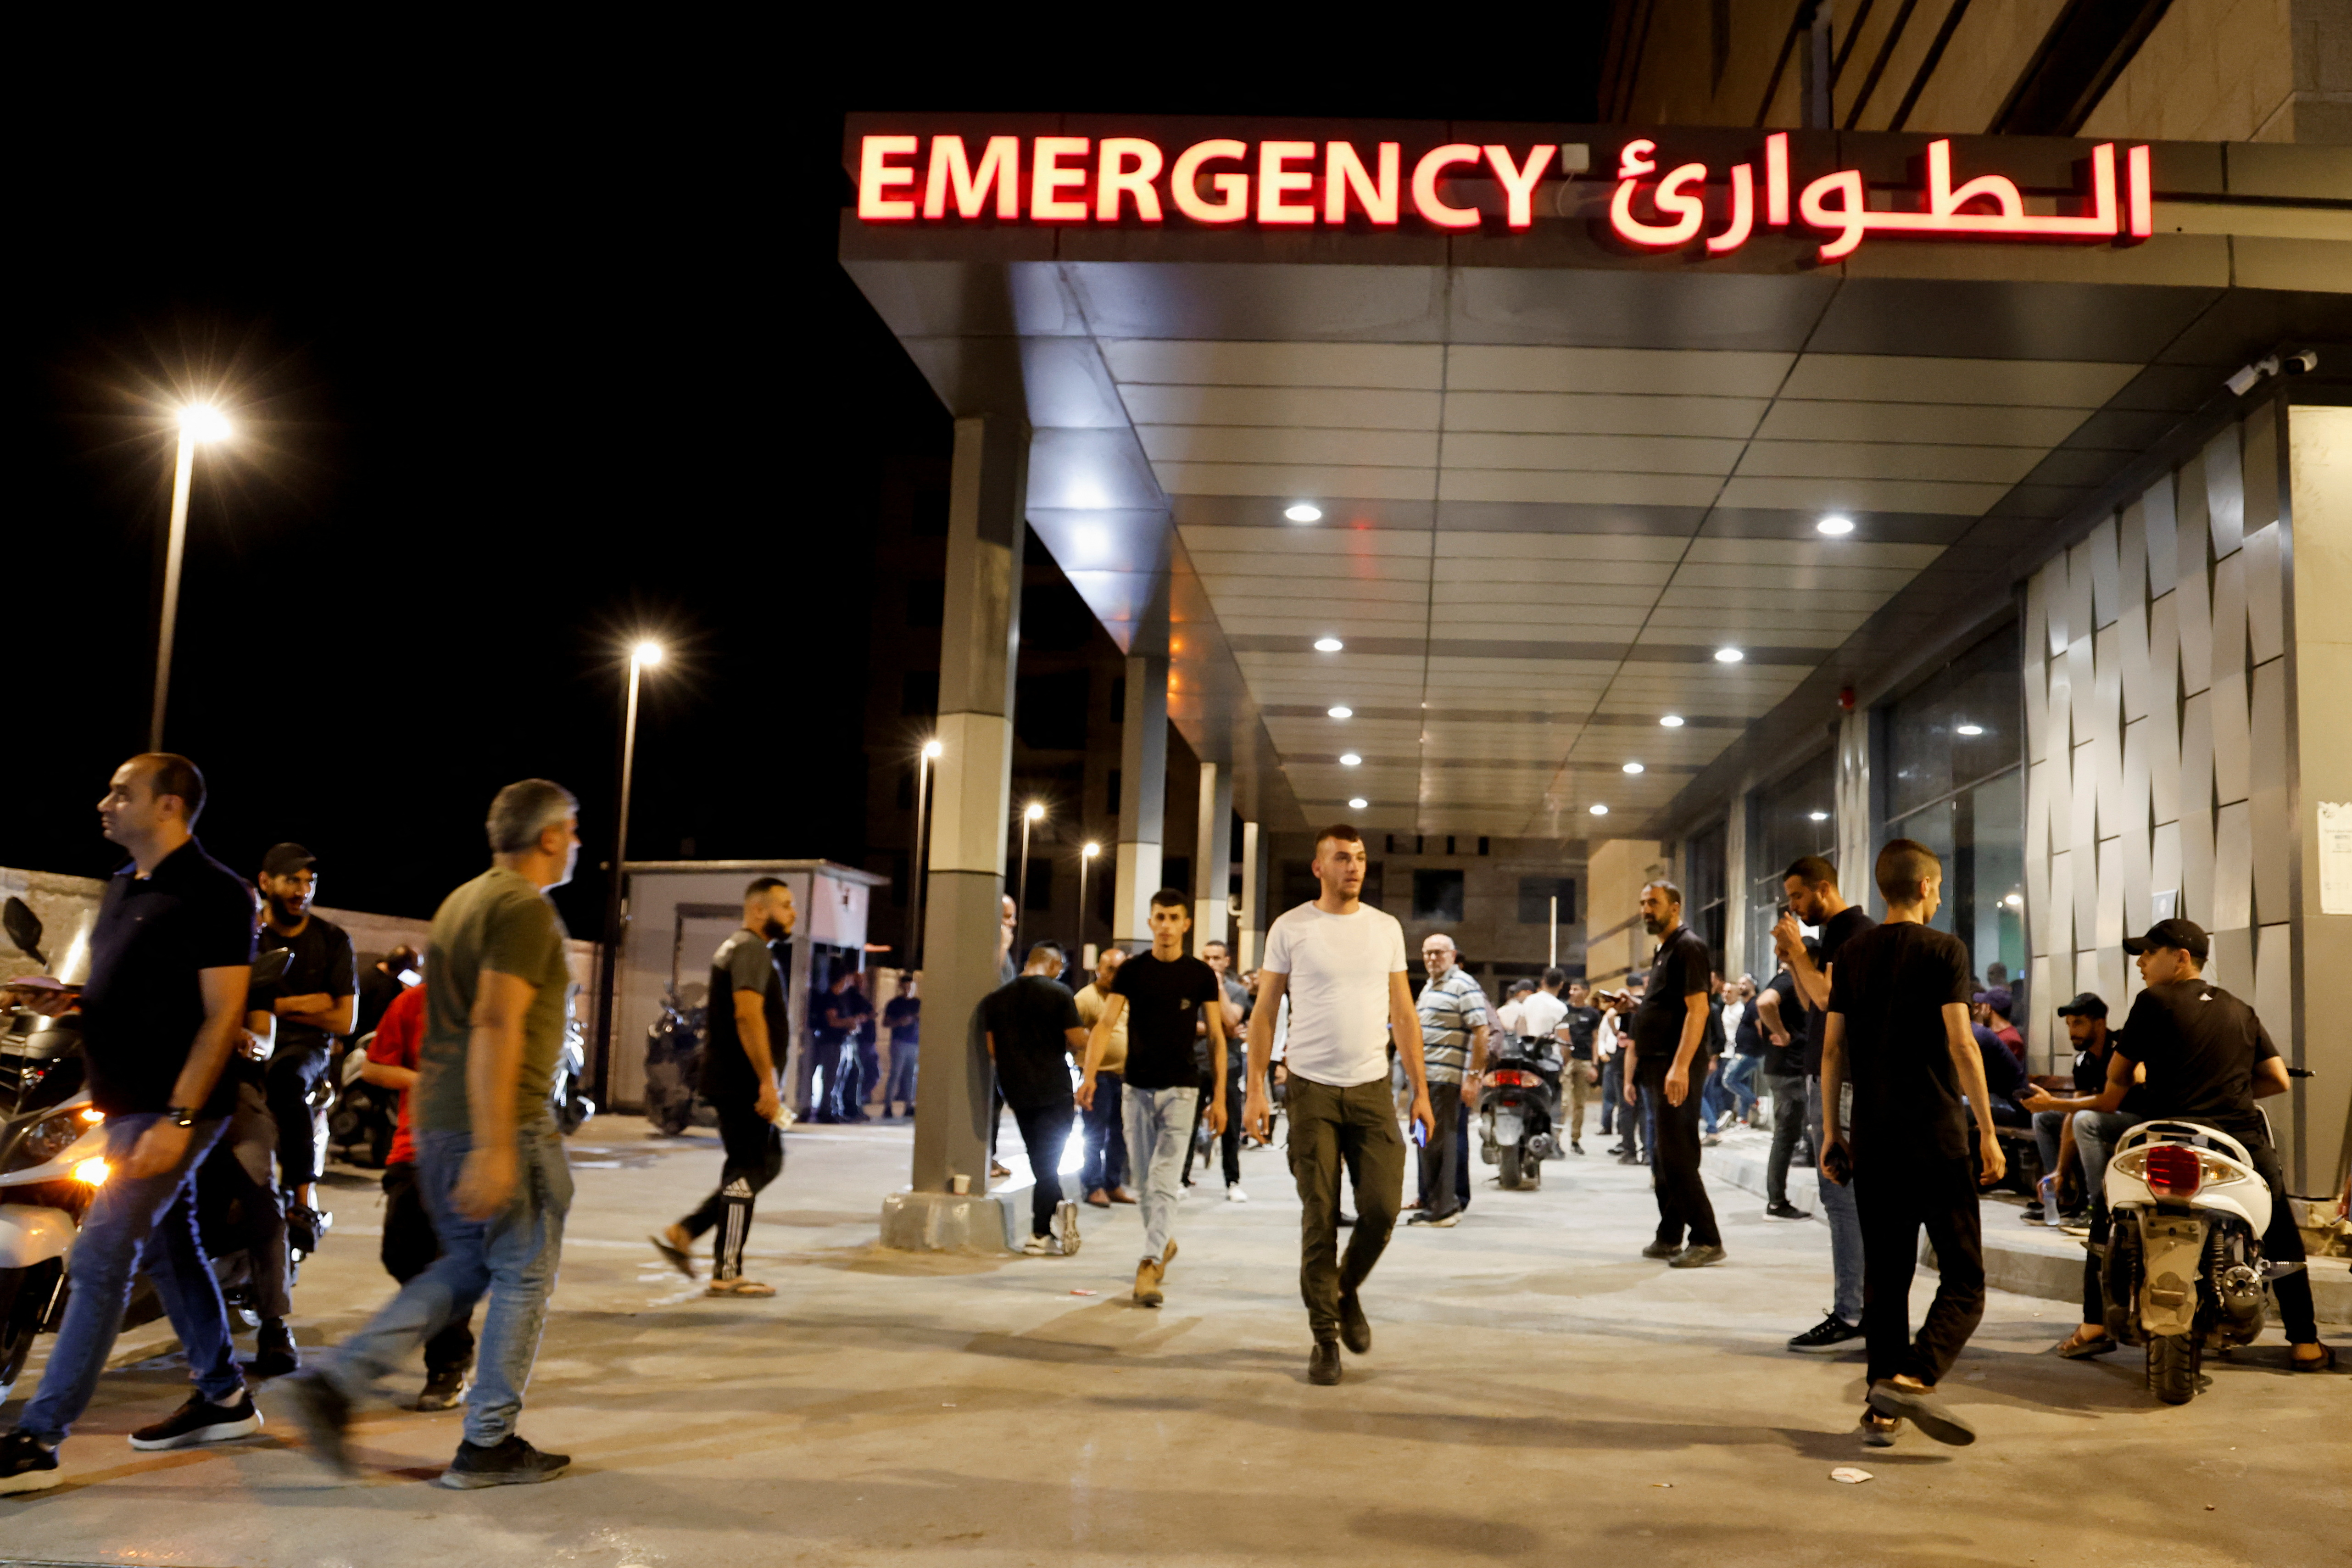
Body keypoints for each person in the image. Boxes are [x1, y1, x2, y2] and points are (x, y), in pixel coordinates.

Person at [287, 778, 584, 1488]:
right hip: (501, 1119)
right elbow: (496, 1020)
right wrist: (496, 1143)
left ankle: (336, 1385)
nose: (576, 843)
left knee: (462, 1268)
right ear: (547, 835)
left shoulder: (464, 901)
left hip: (440, 1119)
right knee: (522, 1275)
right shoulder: (523, 910)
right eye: (572, 831)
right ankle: (488, 1441)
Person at [1, 755, 262, 1496]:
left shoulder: (217, 893)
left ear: (171, 807)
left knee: (102, 1256)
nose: (104, 802)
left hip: (174, 1110)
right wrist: (71, 999)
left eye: (123, 792)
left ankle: (38, 1437)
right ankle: (223, 1392)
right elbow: (142, 994)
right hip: (120, 1105)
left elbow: (220, 1017)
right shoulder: (124, 886)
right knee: (173, 1249)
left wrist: (180, 1117)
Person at [2042, 919, 2331, 1370]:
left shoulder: (2151, 1001)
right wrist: (2228, 1092)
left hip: (2167, 1133)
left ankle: (2093, 1327)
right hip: (2236, 1137)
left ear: (2180, 958)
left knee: (2108, 1214)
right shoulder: (2240, 1008)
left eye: (2148, 953)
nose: (2139, 962)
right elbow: (2276, 1080)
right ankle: (2305, 1344)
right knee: (2278, 1231)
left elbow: (2115, 1085)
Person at [1820, 837, 2006, 1448]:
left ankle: (1880, 1411)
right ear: (1927, 888)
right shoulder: (1944, 949)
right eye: (1939, 887)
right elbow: (1961, 1044)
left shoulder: (1850, 954)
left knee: (1887, 1276)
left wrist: (1831, 1131)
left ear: (1880, 891)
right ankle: (1914, 1375)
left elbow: (1831, 1051)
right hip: (1935, 1136)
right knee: (1964, 1278)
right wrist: (1985, 1129)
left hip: (1873, 1139)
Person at [1246, 824, 1433, 1386]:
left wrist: (1419, 1092)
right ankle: (1324, 1338)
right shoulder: (1291, 927)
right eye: (1340, 858)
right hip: (1310, 1090)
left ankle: (1344, 1287)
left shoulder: (1384, 929)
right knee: (1319, 1215)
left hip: (1373, 1087)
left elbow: (1403, 1013)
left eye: (1358, 858)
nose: (1352, 867)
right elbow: (1263, 1012)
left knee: (1381, 1209)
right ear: (1317, 868)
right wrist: (1255, 1085)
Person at [650, 877, 796, 1296]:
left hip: (736, 1080)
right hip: (743, 1082)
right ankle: (727, 1269)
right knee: (746, 1170)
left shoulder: (741, 948)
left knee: (766, 1163)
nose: (793, 913)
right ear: (757, 910)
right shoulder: (749, 948)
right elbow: (747, 1015)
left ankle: (687, 1230)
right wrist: (767, 1081)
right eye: (785, 905)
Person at [1082, 892, 1226, 1305]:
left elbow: (1216, 1037)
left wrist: (1219, 1098)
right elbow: (1105, 1023)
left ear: (1187, 924)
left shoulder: (1200, 975)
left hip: (1183, 1088)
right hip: (1136, 1088)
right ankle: (1164, 1242)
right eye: (1159, 917)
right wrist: (1090, 1077)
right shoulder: (1131, 972)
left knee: (1163, 1180)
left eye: (1173, 917)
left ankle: (1148, 1265)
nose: (1165, 924)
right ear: (1150, 923)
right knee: (1144, 1182)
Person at [360, 979, 478, 1409]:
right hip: (413, 1147)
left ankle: (448, 1364)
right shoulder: (411, 1002)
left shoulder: (498, 1003)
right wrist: (416, 1078)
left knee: (452, 1257)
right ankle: (447, 1334)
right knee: (401, 1253)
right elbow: (372, 1067)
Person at [1775, 854, 1874, 1352]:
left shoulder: (1851, 930)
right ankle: (1860, 1308)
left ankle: (1851, 1311)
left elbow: (1827, 997)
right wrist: (1793, 957)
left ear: (1822, 888)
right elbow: (1810, 997)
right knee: (1847, 1202)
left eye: (1797, 895)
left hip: (1843, 1081)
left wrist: (1798, 951)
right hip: (1828, 1076)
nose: (1793, 906)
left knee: (1842, 1200)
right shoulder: (1836, 934)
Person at [255, 843, 357, 1253]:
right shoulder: (250, 937)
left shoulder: (332, 940)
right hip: (249, 1041)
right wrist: (301, 1003)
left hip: (305, 1051)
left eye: (309, 882)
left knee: (285, 1079)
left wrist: (271, 1006)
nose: (302, 890)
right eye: (292, 880)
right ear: (266, 882)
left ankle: (301, 1201)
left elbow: (343, 1020)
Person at [1621, 882, 1723, 1268]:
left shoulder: (1688, 946)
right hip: (1656, 1065)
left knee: (1678, 1153)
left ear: (1675, 907)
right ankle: (1670, 1234)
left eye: (1654, 903)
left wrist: (1680, 1066)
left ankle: (1707, 1237)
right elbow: (1669, 1005)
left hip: (1674, 1065)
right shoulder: (1665, 949)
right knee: (1662, 1155)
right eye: (1643, 903)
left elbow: (1698, 1011)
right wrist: (1633, 1004)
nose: (1647, 909)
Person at [981, 942, 1088, 1256]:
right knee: (1047, 1163)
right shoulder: (1059, 994)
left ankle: (1056, 1214)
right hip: (1054, 1089)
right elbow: (1078, 1039)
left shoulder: (996, 999)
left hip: (1016, 1089)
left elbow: (992, 1049)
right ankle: (1040, 1232)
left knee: (1039, 1158)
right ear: (1055, 965)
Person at [2019, 992, 2123, 1224]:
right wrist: (2060, 1170)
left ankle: (2098, 1209)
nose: (2071, 1031)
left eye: (2078, 1023)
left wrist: (2053, 1102)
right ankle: (2062, 1194)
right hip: (2102, 1119)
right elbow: (2073, 1110)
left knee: (2084, 1120)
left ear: (2100, 1022)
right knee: (2045, 1118)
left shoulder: (2120, 1048)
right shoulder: (2083, 1061)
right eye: (2068, 1024)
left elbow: (2109, 1102)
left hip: (2134, 1120)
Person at [1408, 934, 1487, 1229]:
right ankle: (1431, 1201)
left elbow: (1482, 1031)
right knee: (1423, 1139)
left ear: (1453, 955)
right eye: (1427, 953)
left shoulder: (1463, 985)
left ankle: (1445, 1209)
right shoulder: (1431, 986)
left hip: (1445, 1079)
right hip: (1424, 1081)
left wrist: (1474, 1076)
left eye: (1439, 953)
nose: (1432, 958)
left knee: (1441, 1143)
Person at [1183, 938, 1249, 1200]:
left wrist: (1219, 987)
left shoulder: (1236, 991)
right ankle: (1182, 1178)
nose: (1211, 963)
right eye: (1206, 958)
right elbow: (1185, 1023)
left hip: (1228, 1067)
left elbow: (1233, 1018)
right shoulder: (1191, 988)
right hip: (1194, 1064)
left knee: (1231, 1125)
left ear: (1226, 961)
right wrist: (1221, 1030)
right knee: (1187, 1124)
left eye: (1216, 958)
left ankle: (1232, 1182)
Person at [1072, 948, 1134, 1208]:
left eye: (1120, 970)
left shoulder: (1127, 998)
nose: (1114, 975)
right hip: (1098, 1078)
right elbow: (1072, 1037)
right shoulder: (1086, 999)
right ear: (1098, 969)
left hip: (1124, 1077)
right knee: (1095, 1134)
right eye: (1110, 969)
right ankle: (1093, 1185)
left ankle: (1113, 1183)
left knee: (1120, 1134)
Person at [1755, 960, 1809, 1219]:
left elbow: (1759, 1018)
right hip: (1788, 1069)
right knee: (1786, 1136)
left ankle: (1777, 1200)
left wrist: (1771, 1033)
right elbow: (1764, 1004)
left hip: (1785, 1068)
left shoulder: (1786, 980)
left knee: (1789, 1134)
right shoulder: (1788, 979)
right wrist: (1783, 1035)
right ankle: (1777, 1202)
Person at [812, 969, 872, 1123]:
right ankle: (826, 1110)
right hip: (832, 1042)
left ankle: (836, 1109)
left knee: (841, 1078)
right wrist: (851, 1022)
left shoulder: (843, 999)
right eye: (849, 980)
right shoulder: (830, 998)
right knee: (832, 1077)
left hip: (845, 1041)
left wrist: (852, 1023)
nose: (850, 984)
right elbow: (832, 1021)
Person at [1556, 975, 1600, 1155]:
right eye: (1571, 989)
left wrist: (1594, 1065)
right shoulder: (1563, 1010)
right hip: (1567, 1060)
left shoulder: (1593, 1014)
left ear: (1586, 992)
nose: (1572, 992)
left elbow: (1596, 1040)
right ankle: (1556, 1139)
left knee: (1580, 1103)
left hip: (1584, 1060)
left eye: (1576, 989)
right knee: (1564, 1102)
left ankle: (1575, 1140)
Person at [354, 943, 421, 1042]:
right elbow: (382, 1023)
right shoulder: (386, 989)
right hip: (364, 1040)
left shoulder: (375, 970)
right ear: (404, 969)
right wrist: (406, 995)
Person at [881, 972, 921, 1119]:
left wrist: (916, 1019)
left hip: (914, 1043)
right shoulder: (894, 1004)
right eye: (905, 987)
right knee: (896, 1075)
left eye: (910, 987)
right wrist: (900, 1022)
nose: (907, 990)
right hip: (899, 1042)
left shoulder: (918, 1003)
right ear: (901, 987)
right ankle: (888, 1106)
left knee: (911, 1076)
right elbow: (885, 1023)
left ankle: (909, 1105)